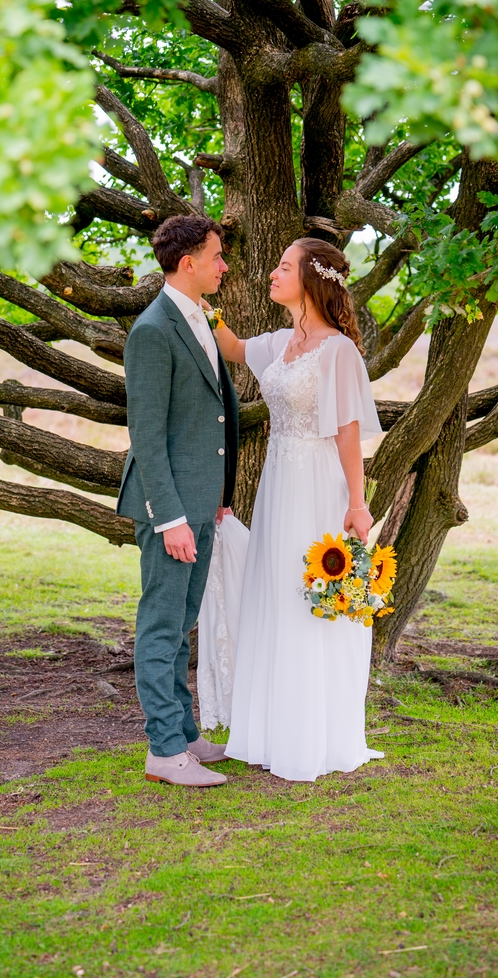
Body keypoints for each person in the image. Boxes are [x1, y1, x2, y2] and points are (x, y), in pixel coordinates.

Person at [211, 238, 384, 782]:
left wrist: (357, 504)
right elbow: (234, 348)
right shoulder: (280, 343)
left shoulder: (338, 352)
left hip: (318, 488)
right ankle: (271, 730)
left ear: (310, 280)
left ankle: (315, 735)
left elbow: (349, 431)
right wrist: (200, 301)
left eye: (283, 267)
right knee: (276, 597)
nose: (271, 273)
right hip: (278, 486)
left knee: (314, 602)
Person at [117, 214, 239, 787]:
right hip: (168, 510)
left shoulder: (198, 319)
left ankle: (185, 733)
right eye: (217, 256)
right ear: (187, 263)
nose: (224, 265)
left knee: (184, 621)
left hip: (200, 502)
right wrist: (169, 519)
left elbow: (210, 415)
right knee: (162, 625)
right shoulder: (152, 330)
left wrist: (217, 497)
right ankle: (164, 752)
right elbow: (147, 434)